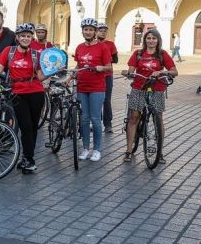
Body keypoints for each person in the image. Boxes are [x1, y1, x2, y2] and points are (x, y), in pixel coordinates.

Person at [0, 23, 46, 173]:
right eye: (22, 36)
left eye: (28, 36)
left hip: (36, 93)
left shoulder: (36, 55)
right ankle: (30, 160)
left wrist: (53, 70)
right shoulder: (9, 51)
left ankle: (27, 157)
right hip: (18, 93)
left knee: (33, 127)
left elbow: (40, 76)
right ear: (17, 38)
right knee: (25, 127)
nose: (25, 38)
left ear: (31, 38)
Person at [122, 29, 177, 164]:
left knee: (158, 118)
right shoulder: (138, 54)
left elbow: (174, 71)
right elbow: (131, 70)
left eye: (154, 38)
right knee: (134, 117)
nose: (151, 40)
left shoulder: (162, 54)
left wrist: (161, 72)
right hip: (139, 88)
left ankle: (160, 151)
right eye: (148, 38)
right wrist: (127, 72)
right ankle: (129, 150)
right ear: (144, 40)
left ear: (158, 40)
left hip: (157, 89)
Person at [74, 18, 112, 162]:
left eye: (91, 29)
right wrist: (69, 78)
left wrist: (102, 68)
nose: (88, 32)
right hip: (82, 86)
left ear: (95, 32)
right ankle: (85, 148)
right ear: (83, 31)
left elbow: (109, 66)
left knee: (95, 119)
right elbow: (79, 65)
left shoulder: (102, 47)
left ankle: (96, 149)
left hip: (97, 87)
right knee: (84, 119)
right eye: (86, 29)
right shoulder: (79, 47)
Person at [96, 23, 118, 133]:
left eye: (105, 30)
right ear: (96, 31)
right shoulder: (92, 44)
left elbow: (116, 60)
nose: (103, 32)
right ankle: (96, 123)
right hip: (95, 76)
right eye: (101, 30)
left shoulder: (110, 44)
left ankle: (108, 124)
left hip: (107, 75)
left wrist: (104, 58)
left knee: (106, 100)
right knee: (96, 100)